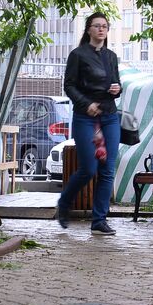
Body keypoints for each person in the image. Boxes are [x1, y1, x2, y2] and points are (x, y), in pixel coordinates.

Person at [56, 12, 122, 235]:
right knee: (89, 168)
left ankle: (99, 221)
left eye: (105, 26)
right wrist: (86, 104)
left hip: (109, 116)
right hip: (86, 117)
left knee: (107, 169)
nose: (101, 30)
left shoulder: (111, 56)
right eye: (97, 26)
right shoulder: (78, 55)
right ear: (88, 29)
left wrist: (117, 89)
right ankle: (64, 203)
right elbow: (69, 85)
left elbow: (116, 83)